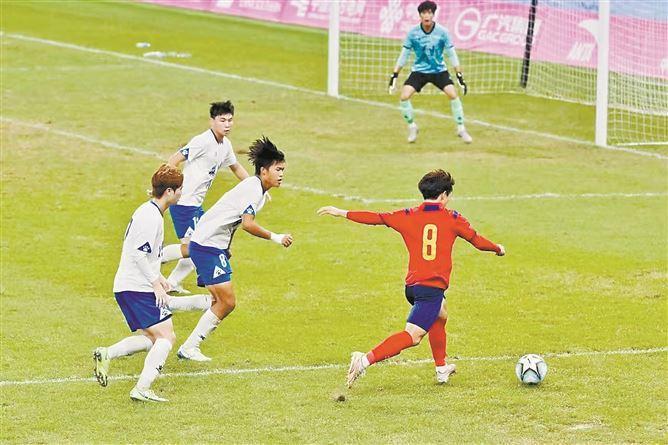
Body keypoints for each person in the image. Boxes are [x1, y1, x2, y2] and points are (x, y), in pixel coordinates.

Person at [317, 169, 505, 387]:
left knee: (441, 314)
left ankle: (441, 368)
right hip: (430, 288)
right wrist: (497, 248)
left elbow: (376, 218)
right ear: (444, 195)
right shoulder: (453, 218)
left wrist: (342, 212)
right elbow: (477, 240)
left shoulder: (407, 215)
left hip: (413, 287)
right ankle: (364, 360)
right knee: (413, 336)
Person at [176, 136, 293, 362]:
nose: (281, 174)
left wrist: (226, 248)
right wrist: (276, 237)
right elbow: (247, 224)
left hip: (211, 244)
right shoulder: (253, 189)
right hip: (207, 245)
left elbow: (231, 220)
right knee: (227, 302)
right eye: (278, 169)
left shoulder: (257, 189)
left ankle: (166, 305)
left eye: (283, 170)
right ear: (264, 171)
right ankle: (189, 346)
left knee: (217, 300)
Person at [93, 164, 184, 402]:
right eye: (179, 189)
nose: (181, 193)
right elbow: (138, 254)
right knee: (166, 338)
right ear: (169, 192)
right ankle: (142, 388)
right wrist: (155, 284)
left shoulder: (150, 212)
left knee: (152, 338)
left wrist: (160, 278)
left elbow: (146, 254)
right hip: (137, 288)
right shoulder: (150, 216)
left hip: (130, 286)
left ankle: (107, 353)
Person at [161, 101, 250, 298]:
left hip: (196, 205)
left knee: (200, 246)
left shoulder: (225, 145)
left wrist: (254, 186)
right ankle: (153, 258)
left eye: (230, 120)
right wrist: (167, 187)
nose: (227, 124)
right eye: (222, 120)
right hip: (184, 203)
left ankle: (170, 284)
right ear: (212, 121)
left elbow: (236, 167)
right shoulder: (202, 141)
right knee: (195, 248)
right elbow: (174, 160)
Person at [388, 1, 472, 144]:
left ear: (433, 15)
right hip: (419, 71)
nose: (427, 16)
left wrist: (459, 76)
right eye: (424, 13)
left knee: (453, 95)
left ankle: (461, 128)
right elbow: (404, 55)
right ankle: (412, 127)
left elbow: (451, 54)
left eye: (429, 13)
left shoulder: (443, 32)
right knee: (404, 96)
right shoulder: (413, 33)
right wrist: (394, 75)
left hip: (439, 71)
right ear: (420, 15)